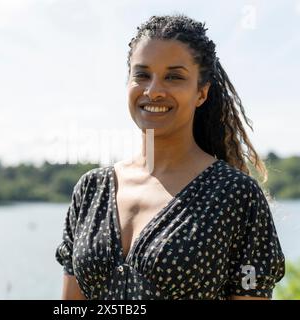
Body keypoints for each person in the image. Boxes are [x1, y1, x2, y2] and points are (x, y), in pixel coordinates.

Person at [55, 14, 285, 300]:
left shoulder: (236, 195)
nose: (153, 91)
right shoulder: (90, 190)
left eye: (173, 77)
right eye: (142, 74)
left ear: (201, 93)